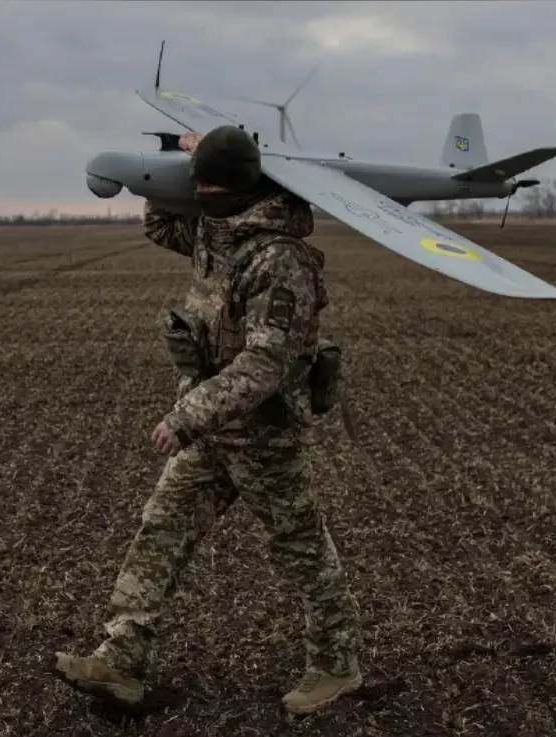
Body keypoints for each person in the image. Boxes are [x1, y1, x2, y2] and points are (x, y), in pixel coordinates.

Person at [52, 125, 362, 716]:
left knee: (300, 549)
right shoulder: (213, 230)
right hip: (212, 432)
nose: (202, 197)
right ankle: (120, 661)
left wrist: (188, 416)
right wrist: (166, 164)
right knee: (161, 531)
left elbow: (266, 362)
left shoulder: (280, 259)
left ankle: (336, 667)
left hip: (265, 434)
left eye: (211, 189)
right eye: (198, 188)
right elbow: (159, 225)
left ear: (243, 190)